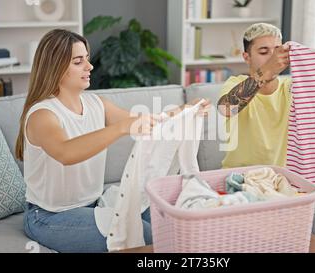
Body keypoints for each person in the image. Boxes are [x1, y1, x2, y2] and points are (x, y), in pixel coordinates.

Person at [14, 29, 210, 253]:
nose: (89, 66)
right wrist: (119, 128)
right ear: (56, 67)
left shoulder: (97, 104)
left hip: (95, 204)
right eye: (79, 62)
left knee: (165, 228)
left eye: (87, 59)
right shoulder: (43, 115)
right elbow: (66, 153)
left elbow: (146, 124)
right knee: (149, 240)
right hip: (50, 216)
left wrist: (185, 111)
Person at [217, 23, 315, 169]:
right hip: (238, 176)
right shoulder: (235, 83)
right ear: (247, 57)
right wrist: (267, 69)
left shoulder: (292, 87)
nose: (272, 58)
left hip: (281, 178)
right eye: (264, 52)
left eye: (277, 51)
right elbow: (225, 109)